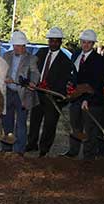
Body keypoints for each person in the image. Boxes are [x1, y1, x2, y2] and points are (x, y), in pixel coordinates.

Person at [27, 27, 74, 157]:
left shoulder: (65, 60)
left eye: (56, 41)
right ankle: (31, 144)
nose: (53, 43)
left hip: (52, 97)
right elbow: (32, 69)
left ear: (60, 42)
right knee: (35, 120)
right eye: (51, 41)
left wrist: (51, 89)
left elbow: (64, 81)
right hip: (38, 93)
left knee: (50, 123)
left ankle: (44, 148)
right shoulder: (41, 53)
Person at [62, 29, 104, 158]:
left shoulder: (98, 60)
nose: (85, 45)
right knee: (75, 125)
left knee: (90, 128)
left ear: (93, 44)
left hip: (91, 100)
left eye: (88, 43)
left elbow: (97, 82)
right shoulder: (76, 55)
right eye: (83, 42)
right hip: (75, 97)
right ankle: (73, 151)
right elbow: (73, 74)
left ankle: (88, 155)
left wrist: (87, 99)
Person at [2, 30, 40, 155]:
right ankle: (6, 147)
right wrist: (4, 78)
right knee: (7, 121)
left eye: (19, 45)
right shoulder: (7, 56)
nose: (17, 48)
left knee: (21, 124)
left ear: (24, 45)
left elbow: (35, 73)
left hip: (23, 95)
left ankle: (19, 151)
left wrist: (33, 82)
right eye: (15, 45)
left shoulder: (31, 58)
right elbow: (1, 71)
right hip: (8, 92)